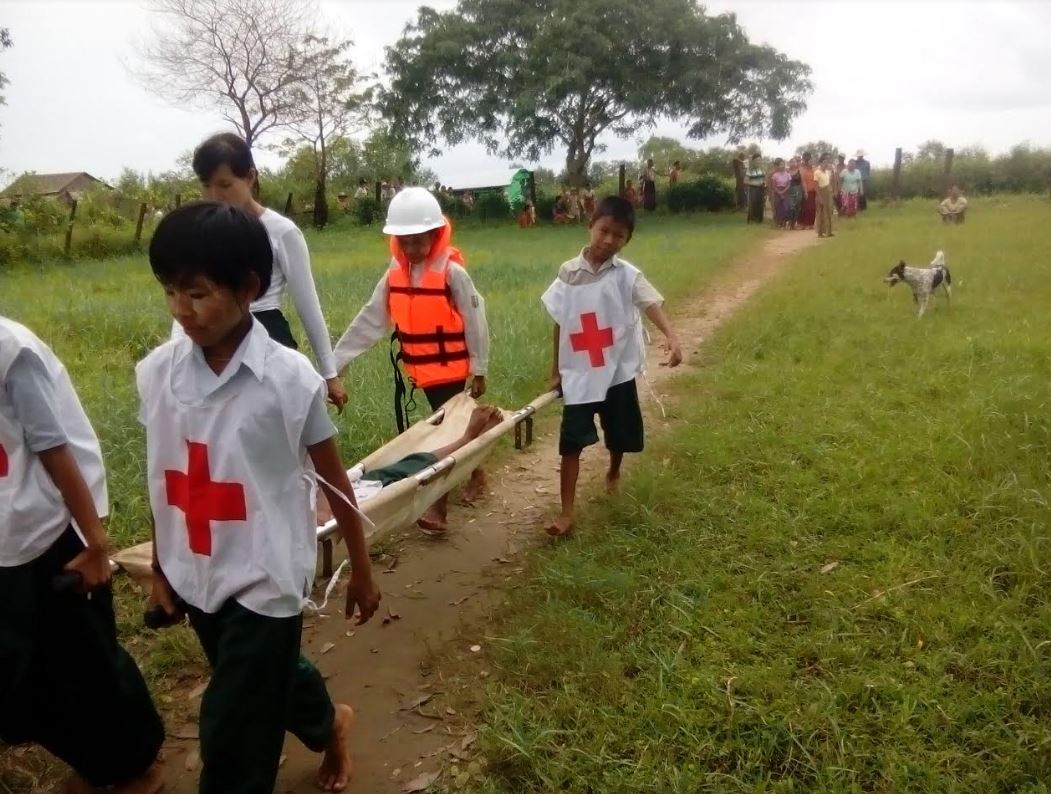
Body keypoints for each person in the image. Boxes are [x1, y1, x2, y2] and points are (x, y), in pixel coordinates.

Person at [141, 202, 381, 794]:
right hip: (198, 567)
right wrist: (161, 568)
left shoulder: (289, 379)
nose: (180, 309)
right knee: (261, 676)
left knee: (233, 730)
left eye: (197, 293)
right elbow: (164, 477)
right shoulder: (156, 374)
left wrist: (361, 568)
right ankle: (329, 724)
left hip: (266, 573)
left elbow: (333, 479)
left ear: (248, 288)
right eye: (170, 290)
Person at [0, 316, 166, 794]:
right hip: (7, 538)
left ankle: (135, 768)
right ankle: (100, 763)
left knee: (85, 656)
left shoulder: (10, 352)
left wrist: (95, 542)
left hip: (49, 529)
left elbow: (54, 449)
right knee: (21, 672)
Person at [333, 188, 490, 534]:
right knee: (448, 426)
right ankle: (476, 471)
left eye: (418, 241)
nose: (411, 249)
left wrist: (479, 368)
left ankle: (439, 506)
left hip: (451, 369)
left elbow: (475, 319)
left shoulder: (452, 272)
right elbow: (370, 319)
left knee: (442, 433)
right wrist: (336, 364)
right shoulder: (394, 273)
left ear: (436, 234)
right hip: (421, 368)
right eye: (404, 242)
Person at [541, 196, 682, 536]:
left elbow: (650, 303)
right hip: (580, 373)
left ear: (627, 240)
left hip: (616, 371)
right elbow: (561, 322)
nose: (608, 240)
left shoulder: (626, 275)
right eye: (604, 231)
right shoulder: (568, 274)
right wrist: (557, 369)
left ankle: (614, 471)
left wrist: (671, 335)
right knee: (570, 442)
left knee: (619, 433)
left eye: (618, 235)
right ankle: (567, 513)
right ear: (590, 226)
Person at [187, 133, 347, 412]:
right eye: (206, 185)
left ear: (250, 177)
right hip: (213, 338)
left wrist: (329, 372)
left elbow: (308, 304)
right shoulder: (199, 233)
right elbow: (187, 296)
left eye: (224, 185)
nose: (214, 196)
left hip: (267, 335)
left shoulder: (281, 231)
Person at [317, 406, 504, 524]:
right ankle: (468, 441)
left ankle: (467, 441)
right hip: (352, 500)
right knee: (412, 471)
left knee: (408, 466)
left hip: (346, 492)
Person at [814, 153, 835, 238]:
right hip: (821, 192)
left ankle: (829, 231)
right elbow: (816, 186)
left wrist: (831, 190)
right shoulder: (817, 172)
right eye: (825, 162)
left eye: (827, 162)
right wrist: (820, 197)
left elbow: (830, 182)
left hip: (828, 192)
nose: (826, 164)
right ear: (821, 163)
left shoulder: (827, 172)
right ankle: (820, 232)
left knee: (829, 212)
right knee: (821, 212)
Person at [769, 158, 791, 229]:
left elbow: (788, 185)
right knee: (778, 207)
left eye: (783, 164)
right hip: (777, 192)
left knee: (785, 207)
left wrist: (783, 191)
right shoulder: (775, 175)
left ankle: (784, 222)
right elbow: (773, 185)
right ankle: (779, 223)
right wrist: (779, 192)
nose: (782, 166)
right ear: (778, 166)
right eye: (780, 164)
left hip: (785, 191)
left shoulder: (788, 174)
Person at [798, 152, 817, 229]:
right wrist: (805, 191)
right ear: (806, 162)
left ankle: (811, 224)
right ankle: (803, 224)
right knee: (805, 208)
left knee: (813, 208)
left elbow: (816, 180)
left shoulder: (814, 170)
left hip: (814, 191)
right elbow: (803, 181)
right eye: (810, 161)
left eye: (812, 161)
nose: (811, 163)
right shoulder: (803, 170)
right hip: (806, 191)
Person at [745, 153, 766, 224]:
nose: (758, 161)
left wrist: (764, 183)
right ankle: (752, 220)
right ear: (753, 161)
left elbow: (764, 179)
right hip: (753, 189)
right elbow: (745, 181)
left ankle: (759, 220)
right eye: (756, 160)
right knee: (753, 203)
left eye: (759, 160)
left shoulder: (762, 169)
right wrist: (755, 184)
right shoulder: (750, 170)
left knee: (760, 203)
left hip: (761, 188)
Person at [786, 157, 803, 230]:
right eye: (792, 162)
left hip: (798, 189)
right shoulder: (787, 171)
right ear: (789, 163)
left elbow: (803, 182)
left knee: (797, 207)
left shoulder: (799, 171)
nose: (793, 163)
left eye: (794, 162)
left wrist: (805, 191)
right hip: (789, 190)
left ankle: (794, 223)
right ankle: (790, 222)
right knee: (791, 207)